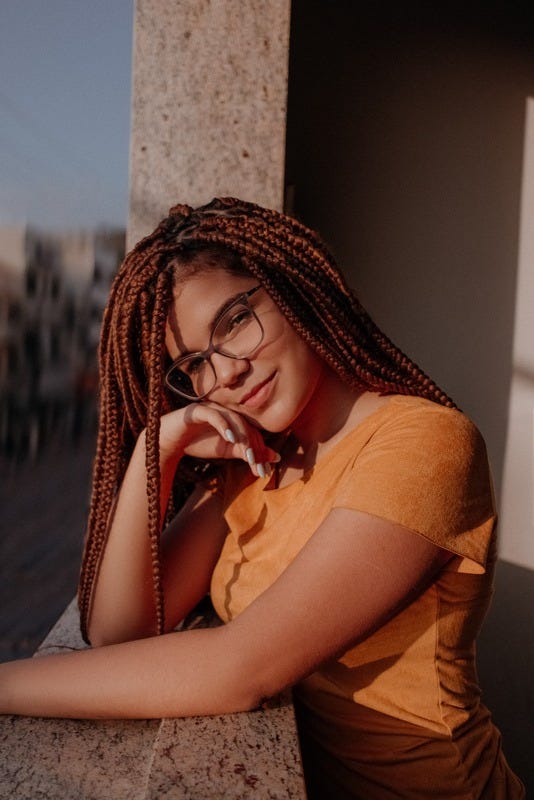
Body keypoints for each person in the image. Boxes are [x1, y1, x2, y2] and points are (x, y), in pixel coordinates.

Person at [0, 197, 525, 798]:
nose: (225, 375)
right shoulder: (252, 465)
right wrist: (158, 447)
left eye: (233, 322)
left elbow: (241, 669)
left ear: (292, 288)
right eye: (194, 364)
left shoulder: (424, 443)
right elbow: (120, 632)